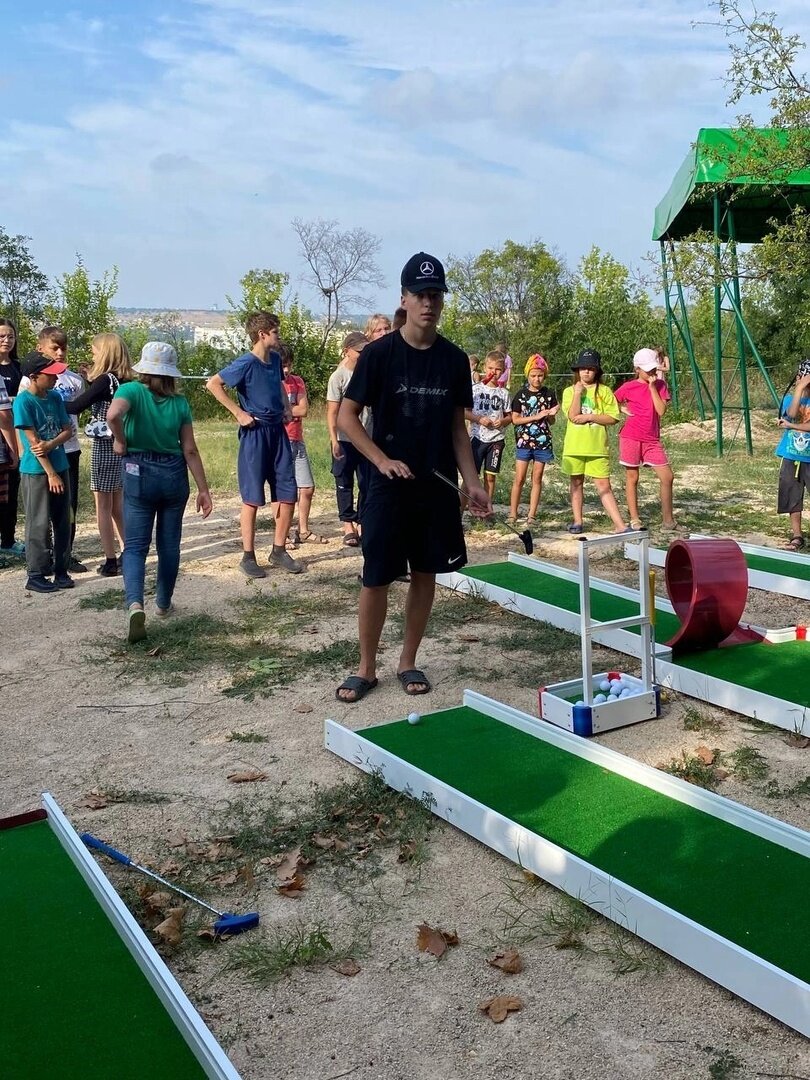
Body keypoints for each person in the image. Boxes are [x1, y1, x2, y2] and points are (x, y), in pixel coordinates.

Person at [335, 251, 490, 703]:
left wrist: (472, 482)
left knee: (426, 573)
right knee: (376, 576)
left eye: (435, 294)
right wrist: (380, 459)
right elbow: (346, 417)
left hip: (435, 486)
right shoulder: (379, 354)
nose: (428, 302)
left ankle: (407, 661)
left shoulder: (454, 359)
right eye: (420, 294)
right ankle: (366, 668)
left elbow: (457, 429)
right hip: (387, 488)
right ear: (404, 297)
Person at [107, 342, 212, 643]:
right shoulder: (180, 403)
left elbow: (113, 415)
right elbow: (189, 449)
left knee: (135, 546)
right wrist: (203, 489)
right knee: (169, 544)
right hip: (173, 474)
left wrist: (120, 440)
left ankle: (135, 604)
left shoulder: (130, 391)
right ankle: (164, 603)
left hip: (138, 471)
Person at [206, 312, 300, 579]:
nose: (278, 336)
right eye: (275, 332)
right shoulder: (245, 363)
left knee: (288, 491)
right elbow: (213, 384)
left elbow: (279, 386)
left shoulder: (275, 359)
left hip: (278, 431)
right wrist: (238, 413)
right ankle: (248, 556)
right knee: (252, 497)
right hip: (255, 433)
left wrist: (286, 408)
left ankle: (279, 550)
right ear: (262, 334)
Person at [65, 333, 133, 575]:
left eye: (95, 351)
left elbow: (76, 406)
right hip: (122, 444)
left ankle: (110, 559)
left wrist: (47, 400)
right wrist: (90, 379)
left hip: (104, 446)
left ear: (104, 353)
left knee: (102, 506)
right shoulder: (126, 379)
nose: (92, 355)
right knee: (118, 505)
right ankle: (129, 552)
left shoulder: (104, 381)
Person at [12, 353, 74, 593]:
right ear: (34, 376)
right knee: (38, 522)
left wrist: (52, 444)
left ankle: (61, 569)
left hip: (60, 465)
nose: (56, 378)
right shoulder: (24, 402)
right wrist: (51, 473)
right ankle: (36, 573)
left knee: (63, 520)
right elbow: (33, 443)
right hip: (36, 471)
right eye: (50, 374)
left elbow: (67, 430)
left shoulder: (55, 397)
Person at [32, 327, 87, 573]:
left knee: (68, 505)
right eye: (54, 348)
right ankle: (44, 556)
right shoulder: (31, 379)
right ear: (40, 348)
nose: (60, 352)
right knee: (43, 507)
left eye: (64, 348)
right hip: (43, 451)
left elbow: (77, 411)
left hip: (70, 449)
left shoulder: (75, 380)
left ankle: (65, 553)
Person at [561, 349, 628, 535]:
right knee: (576, 483)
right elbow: (573, 416)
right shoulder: (569, 391)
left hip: (597, 448)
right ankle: (577, 521)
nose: (586, 372)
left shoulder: (604, 391)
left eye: (590, 368)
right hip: (574, 447)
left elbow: (613, 417)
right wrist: (577, 393)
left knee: (604, 485)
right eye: (583, 368)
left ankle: (620, 525)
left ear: (596, 371)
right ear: (578, 370)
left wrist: (590, 416)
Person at [615, 348, 677, 531]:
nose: (652, 372)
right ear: (637, 369)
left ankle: (668, 521)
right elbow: (610, 400)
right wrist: (620, 408)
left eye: (653, 369)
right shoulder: (628, 387)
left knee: (667, 476)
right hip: (631, 436)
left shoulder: (660, 386)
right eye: (648, 369)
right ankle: (635, 518)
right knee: (632, 477)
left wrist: (652, 388)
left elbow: (661, 411)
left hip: (652, 440)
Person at [278, 343, 325, 547]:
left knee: (307, 488)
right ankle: (283, 534)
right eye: (282, 365)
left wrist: (285, 412)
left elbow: (303, 409)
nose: (286, 370)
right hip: (280, 442)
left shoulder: (297, 382)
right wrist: (291, 410)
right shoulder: (271, 384)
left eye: (288, 365)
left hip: (297, 440)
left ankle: (303, 530)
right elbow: (272, 412)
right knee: (282, 491)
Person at [326, 331, 369, 547]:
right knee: (344, 482)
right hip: (344, 438)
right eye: (359, 351)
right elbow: (332, 412)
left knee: (366, 482)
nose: (362, 355)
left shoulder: (369, 373)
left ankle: (362, 522)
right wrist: (334, 440)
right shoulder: (339, 377)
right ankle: (347, 525)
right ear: (347, 351)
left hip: (366, 437)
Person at [509, 354, 559, 524]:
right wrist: (536, 416)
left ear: (545, 375)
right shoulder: (520, 394)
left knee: (537, 478)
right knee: (519, 478)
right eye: (533, 375)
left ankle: (532, 515)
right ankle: (513, 513)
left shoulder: (549, 394)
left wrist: (551, 414)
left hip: (542, 442)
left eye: (540, 375)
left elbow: (551, 421)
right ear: (527, 375)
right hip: (524, 441)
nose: (537, 379)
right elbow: (515, 419)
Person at [466, 350, 512, 503]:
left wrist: (503, 421)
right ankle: (464, 507)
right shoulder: (475, 389)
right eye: (491, 368)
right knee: (471, 476)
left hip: (496, 439)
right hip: (477, 438)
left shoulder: (504, 393)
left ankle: (486, 507)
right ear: (485, 368)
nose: (494, 372)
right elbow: (465, 412)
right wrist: (479, 419)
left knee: (490, 477)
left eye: (498, 369)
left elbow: (510, 416)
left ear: (503, 371)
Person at [775, 357, 810, 551]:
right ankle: (797, 535)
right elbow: (793, 413)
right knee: (792, 496)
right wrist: (799, 388)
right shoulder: (790, 399)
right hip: (791, 455)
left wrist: (791, 426)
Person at [0, 319, 23, 556]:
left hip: (16, 433)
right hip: (3, 433)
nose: (6, 340)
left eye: (10, 336)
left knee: (11, 490)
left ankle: (8, 539)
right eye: (2, 336)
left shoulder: (19, 367)